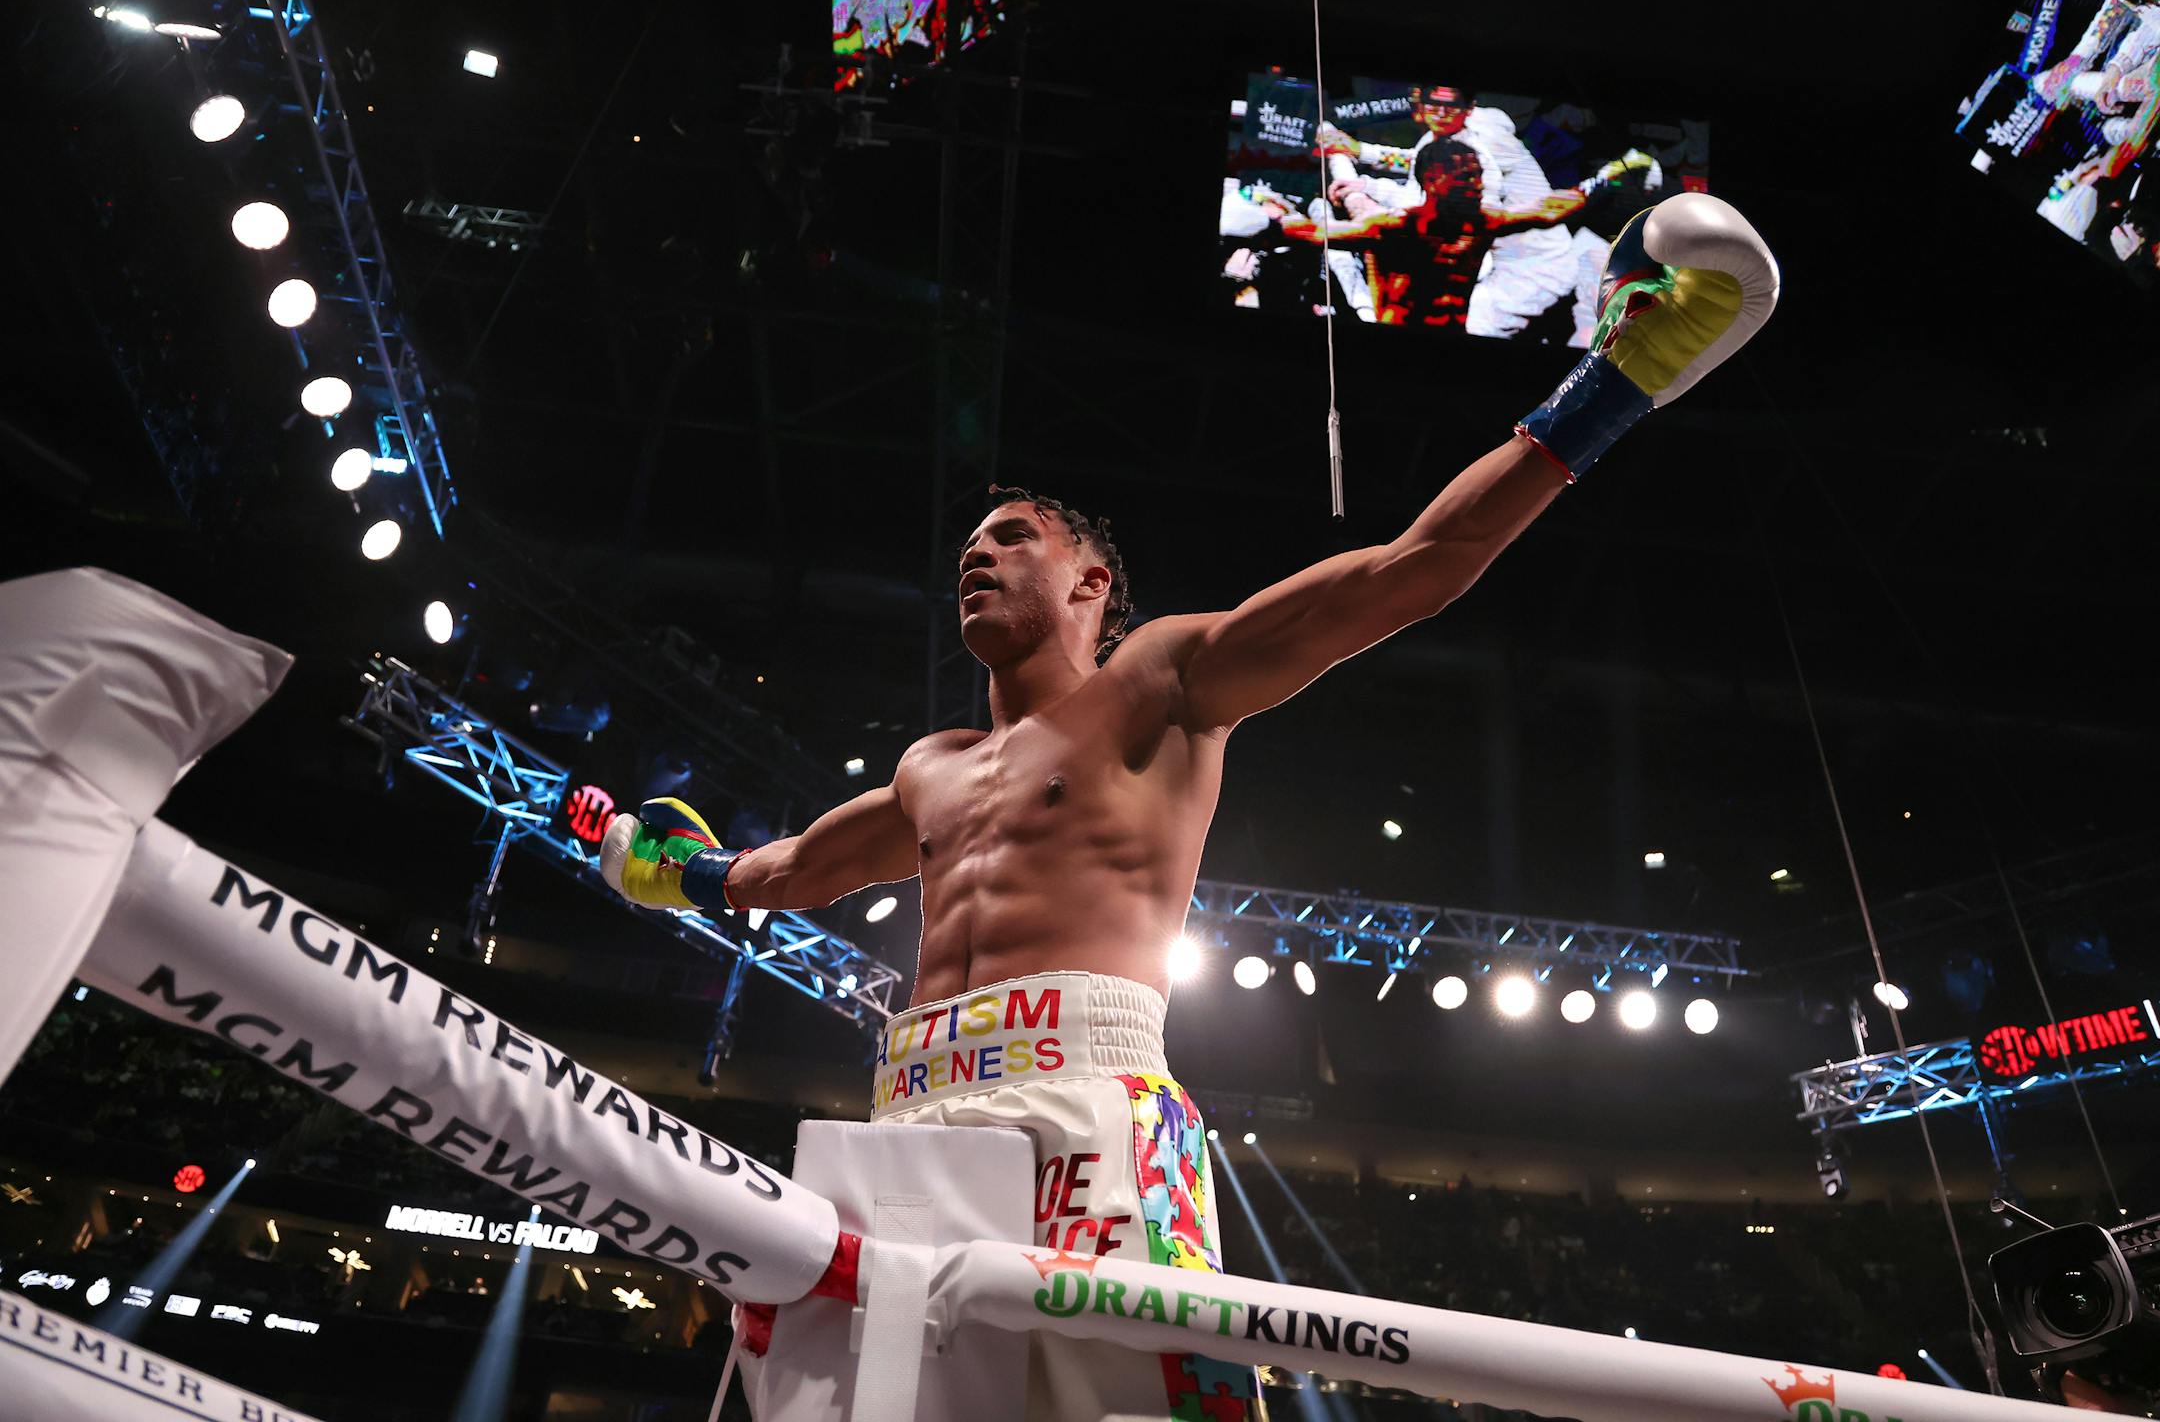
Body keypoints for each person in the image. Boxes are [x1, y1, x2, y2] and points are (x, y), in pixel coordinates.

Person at [601, 193, 1779, 1421]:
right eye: (970, 544)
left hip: (1087, 1101)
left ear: (1090, 583)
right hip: (906, 1117)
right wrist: (667, 866)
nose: (979, 553)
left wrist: (1615, 383)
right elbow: (783, 873)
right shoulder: (927, 768)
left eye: (1014, 538)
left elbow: (1411, 570)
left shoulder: (1159, 681)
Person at [1316, 84, 1604, 339]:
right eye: (1432, 104)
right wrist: (1361, 157)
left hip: (1532, 272)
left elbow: (1447, 218)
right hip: (1505, 259)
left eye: (1450, 106)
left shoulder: (1481, 154)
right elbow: (1421, 164)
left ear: (1468, 109)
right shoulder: (1448, 137)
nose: (1440, 113)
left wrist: (1365, 196)